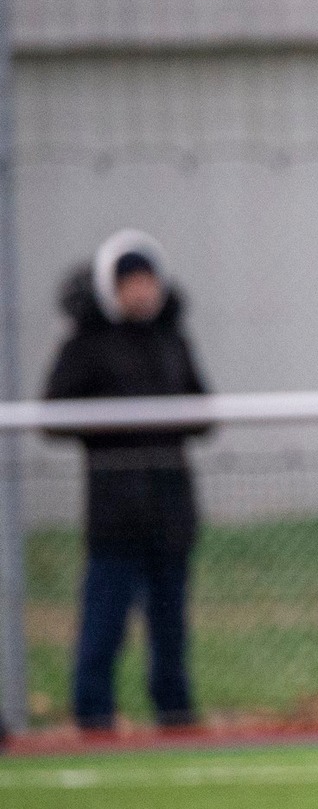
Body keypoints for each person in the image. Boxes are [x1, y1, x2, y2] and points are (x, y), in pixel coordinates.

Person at [43, 230, 211, 732]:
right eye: (130, 282)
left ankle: (174, 712)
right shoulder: (86, 346)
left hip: (170, 506)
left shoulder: (171, 341)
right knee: (104, 622)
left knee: (170, 626)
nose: (142, 291)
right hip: (114, 512)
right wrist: (117, 427)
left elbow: (202, 411)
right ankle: (93, 715)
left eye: (148, 281)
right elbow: (55, 416)